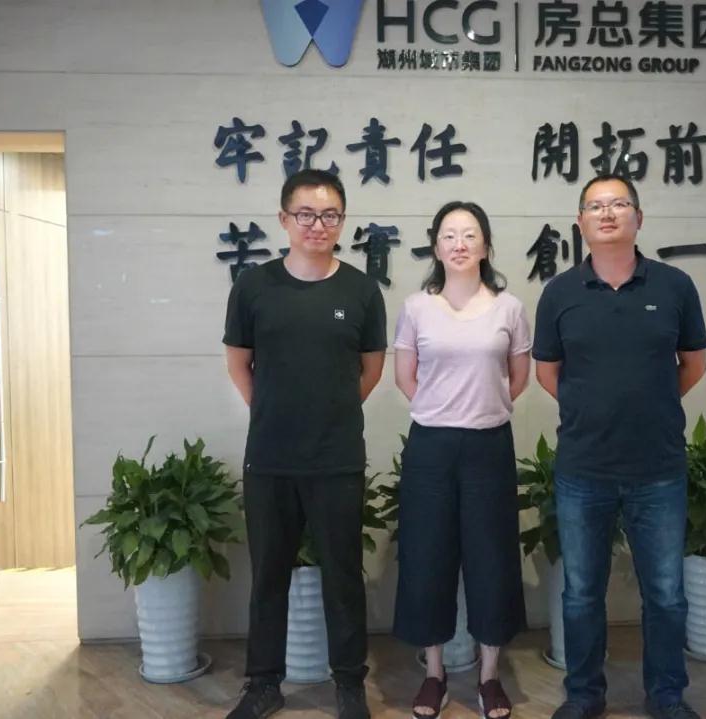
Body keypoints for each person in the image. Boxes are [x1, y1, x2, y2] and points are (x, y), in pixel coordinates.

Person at [532, 174, 706, 719]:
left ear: (639, 217)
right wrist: (593, 410)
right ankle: (584, 695)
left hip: (658, 467)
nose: (607, 213)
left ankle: (667, 695)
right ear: (580, 222)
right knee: (582, 594)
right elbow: (547, 372)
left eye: (619, 204)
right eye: (595, 206)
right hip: (583, 468)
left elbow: (693, 364)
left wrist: (648, 405)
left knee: (666, 593)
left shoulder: (675, 286)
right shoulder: (560, 292)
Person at [223, 169, 387, 719]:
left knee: (342, 575)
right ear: (284, 219)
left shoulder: (361, 290)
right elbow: (238, 363)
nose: (318, 225)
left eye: (330, 215)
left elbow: (370, 370)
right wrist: (273, 412)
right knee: (269, 575)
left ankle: (349, 684)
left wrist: (329, 413)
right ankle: (263, 684)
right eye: (307, 214)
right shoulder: (254, 286)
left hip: (336, 459)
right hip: (270, 458)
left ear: (342, 221)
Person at [392, 201, 531, 719]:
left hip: (488, 446)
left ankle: (490, 676)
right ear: (436, 247)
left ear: (486, 246)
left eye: (469, 234)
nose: (459, 244)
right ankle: (434, 673)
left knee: (492, 558)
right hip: (430, 447)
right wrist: (442, 410)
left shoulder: (509, 308)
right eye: (449, 235)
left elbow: (518, 377)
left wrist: (480, 408)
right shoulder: (417, 307)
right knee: (427, 556)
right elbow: (405, 376)